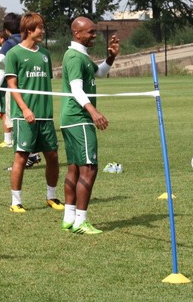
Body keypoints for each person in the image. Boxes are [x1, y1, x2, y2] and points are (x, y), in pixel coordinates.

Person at [60, 17, 119, 234]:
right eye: (91, 32)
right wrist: (93, 111)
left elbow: (100, 73)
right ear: (77, 33)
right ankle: (80, 221)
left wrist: (110, 58)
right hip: (79, 118)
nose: (94, 35)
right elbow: (76, 89)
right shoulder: (75, 57)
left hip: (71, 119)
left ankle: (68, 217)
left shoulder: (80, 55)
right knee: (90, 168)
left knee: (75, 168)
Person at [4, 12, 61, 213]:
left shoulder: (45, 54)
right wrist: (25, 109)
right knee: (21, 156)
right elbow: (12, 85)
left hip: (45, 116)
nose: (43, 31)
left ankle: (52, 196)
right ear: (29, 30)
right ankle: (16, 201)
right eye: (40, 28)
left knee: (52, 156)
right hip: (24, 116)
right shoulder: (14, 54)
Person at [0, 13, 41, 167]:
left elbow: (0, 59)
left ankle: (27, 157)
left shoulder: (10, 42)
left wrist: (10, 69)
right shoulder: (24, 40)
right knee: (28, 120)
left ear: (6, 29)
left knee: (15, 121)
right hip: (30, 86)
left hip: (14, 87)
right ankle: (33, 153)